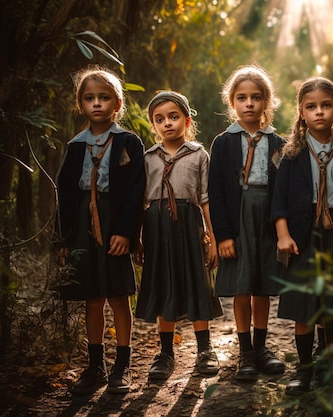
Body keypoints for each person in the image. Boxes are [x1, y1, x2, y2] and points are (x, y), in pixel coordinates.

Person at [272, 77, 333, 395]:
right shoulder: (291, 156)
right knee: (304, 306)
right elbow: (279, 200)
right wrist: (283, 235)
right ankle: (304, 369)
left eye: (326, 105)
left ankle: (330, 367)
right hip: (303, 236)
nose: (319, 112)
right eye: (311, 107)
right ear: (301, 112)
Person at [55, 66, 145, 395]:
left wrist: (126, 232)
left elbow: (136, 191)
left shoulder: (128, 142)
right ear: (80, 105)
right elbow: (64, 193)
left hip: (115, 220)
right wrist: (64, 239)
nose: (97, 103)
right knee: (92, 299)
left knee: (118, 296)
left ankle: (123, 366)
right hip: (82, 221)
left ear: (117, 104)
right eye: (89, 98)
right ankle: (96, 367)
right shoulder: (75, 145)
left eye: (104, 98)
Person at [134, 91, 223, 381]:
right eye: (160, 119)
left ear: (186, 120)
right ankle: (165, 354)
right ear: (153, 126)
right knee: (163, 283)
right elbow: (141, 202)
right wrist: (137, 237)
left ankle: (204, 350)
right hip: (156, 225)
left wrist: (212, 237)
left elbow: (206, 198)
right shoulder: (148, 158)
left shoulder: (199, 154)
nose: (167, 123)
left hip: (189, 222)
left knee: (197, 283)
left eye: (174, 117)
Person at [208, 65, 286, 382]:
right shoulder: (223, 143)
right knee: (242, 286)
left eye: (256, 97)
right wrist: (224, 235)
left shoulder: (279, 143)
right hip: (238, 219)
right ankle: (245, 352)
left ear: (266, 101)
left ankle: (261, 347)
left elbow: (283, 187)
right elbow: (216, 191)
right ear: (232, 103)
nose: (249, 103)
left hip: (266, 218)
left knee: (261, 287)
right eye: (242, 98)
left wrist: (282, 229)